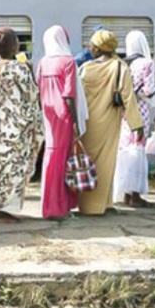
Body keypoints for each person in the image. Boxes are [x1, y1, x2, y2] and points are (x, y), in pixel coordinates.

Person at [0, 27, 44, 221]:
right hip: (19, 125)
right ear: (12, 45)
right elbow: (33, 95)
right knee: (15, 166)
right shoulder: (22, 67)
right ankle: (7, 209)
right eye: (16, 40)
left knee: (0, 165)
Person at [78, 30, 143, 216]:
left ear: (98, 48)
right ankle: (101, 205)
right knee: (106, 162)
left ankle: (93, 205)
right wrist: (135, 125)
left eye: (92, 45)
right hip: (108, 120)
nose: (90, 48)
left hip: (87, 121)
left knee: (89, 160)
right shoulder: (119, 67)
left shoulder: (86, 68)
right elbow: (128, 97)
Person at [36, 26, 88, 219]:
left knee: (51, 156)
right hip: (64, 115)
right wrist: (75, 121)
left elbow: (38, 87)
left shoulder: (43, 63)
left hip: (48, 114)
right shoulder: (68, 62)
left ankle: (49, 205)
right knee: (62, 159)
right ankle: (59, 207)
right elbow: (69, 95)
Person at [114, 31, 155, 208]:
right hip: (141, 113)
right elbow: (148, 91)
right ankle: (136, 195)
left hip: (124, 113)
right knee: (138, 151)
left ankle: (125, 194)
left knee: (125, 151)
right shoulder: (147, 64)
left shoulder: (122, 64)